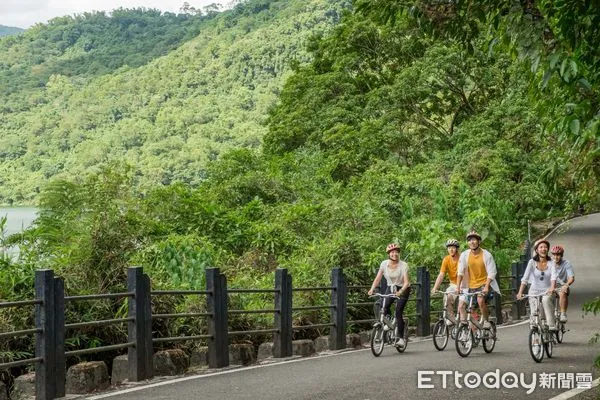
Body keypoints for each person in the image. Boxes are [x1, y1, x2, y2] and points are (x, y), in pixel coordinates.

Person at [368, 242, 411, 348]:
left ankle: (401, 338)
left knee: (398, 312)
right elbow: (378, 278)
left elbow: (406, 282)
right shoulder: (384, 264)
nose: (394, 254)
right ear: (389, 254)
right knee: (384, 306)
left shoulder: (403, 265)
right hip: (391, 287)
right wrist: (372, 289)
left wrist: (400, 292)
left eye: (396, 252)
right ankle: (389, 322)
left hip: (403, 289)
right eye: (392, 252)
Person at [456, 230, 500, 329]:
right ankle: (474, 332)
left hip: (484, 285)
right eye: (470, 240)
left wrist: (487, 286)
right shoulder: (464, 255)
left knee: (480, 300)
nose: (472, 242)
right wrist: (458, 286)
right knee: (469, 309)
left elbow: (492, 272)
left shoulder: (486, 255)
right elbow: (460, 272)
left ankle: (486, 321)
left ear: (479, 242)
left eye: (474, 240)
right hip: (471, 286)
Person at [516, 239, 555, 330]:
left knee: (546, 301)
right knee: (534, 313)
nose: (543, 249)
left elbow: (554, 276)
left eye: (545, 247)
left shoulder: (551, 263)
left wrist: (552, 287)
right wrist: (520, 292)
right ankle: (535, 337)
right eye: (541, 247)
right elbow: (525, 279)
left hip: (547, 291)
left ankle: (550, 325)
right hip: (534, 291)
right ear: (537, 250)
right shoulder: (531, 262)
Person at [431, 239, 464, 326]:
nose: (451, 250)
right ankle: (451, 318)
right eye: (449, 248)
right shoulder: (446, 259)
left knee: (463, 305)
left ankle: (465, 323)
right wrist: (435, 287)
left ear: (456, 249)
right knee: (447, 298)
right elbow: (441, 275)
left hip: (464, 284)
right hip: (453, 284)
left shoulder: (462, 258)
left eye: (453, 247)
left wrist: (460, 286)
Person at [548, 245, 575, 323]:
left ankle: (563, 313)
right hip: (550, 285)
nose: (556, 257)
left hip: (561, 285)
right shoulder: (549, 263)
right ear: (552, 255)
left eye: (558, 255)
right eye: (554, 255)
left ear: (561, 255)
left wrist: (566, 285)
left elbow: (571, 277)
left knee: (563, 292)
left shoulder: (566, 263)